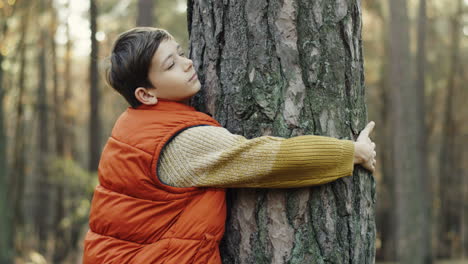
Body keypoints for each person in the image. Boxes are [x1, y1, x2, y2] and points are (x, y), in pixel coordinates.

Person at [82, 27, 377, 264]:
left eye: (181, 54)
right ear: (145, 95)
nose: (188, 64)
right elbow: (269, 160)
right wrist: (351, 152)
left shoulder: (134, 124)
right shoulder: (181, 143)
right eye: (171, 65)